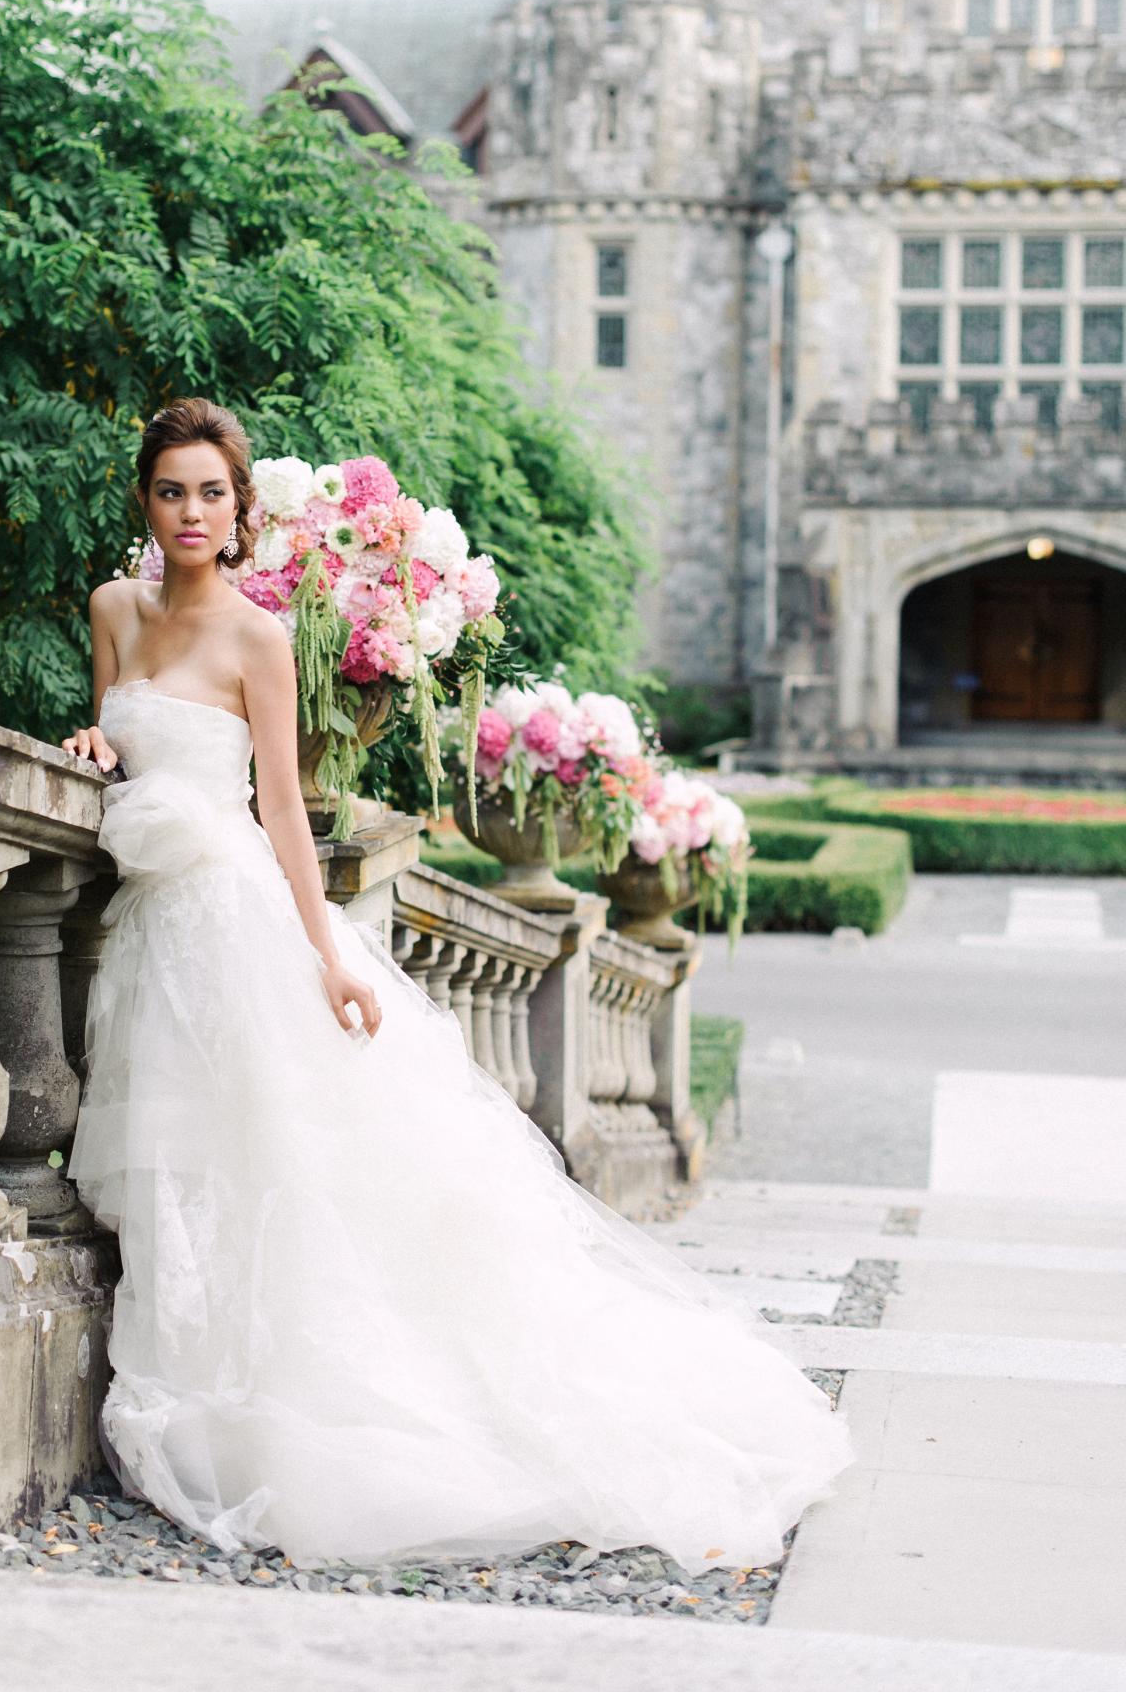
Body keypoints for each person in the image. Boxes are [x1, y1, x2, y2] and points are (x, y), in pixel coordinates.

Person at [63, 395, 853, 1572]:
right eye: (170, 490)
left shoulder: (258, 639)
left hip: (231, 916)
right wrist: (89, 744)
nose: (190, 511)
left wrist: (327, 952)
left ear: (239, 513)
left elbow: (280, 805)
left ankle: (284, 1402)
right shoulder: (114, 610)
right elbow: (115, 732)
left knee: (270, 1160)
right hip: (149, 924)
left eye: (211, 493)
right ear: (146, 498)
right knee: (186, 1162)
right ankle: (193, 1383)